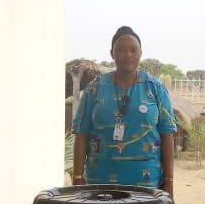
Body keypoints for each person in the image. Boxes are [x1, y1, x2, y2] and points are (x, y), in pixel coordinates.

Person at [71, 26, 177, 194]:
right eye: (120, 50)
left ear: (140, 53)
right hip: (100, 183)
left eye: (133, 50)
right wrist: (77, 176)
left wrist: (169, 181)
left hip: (147, 185)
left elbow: (167, 135)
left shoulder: (155, 88)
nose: (127, 55)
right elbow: (81, 133)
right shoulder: (94, 88)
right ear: (112, 54)